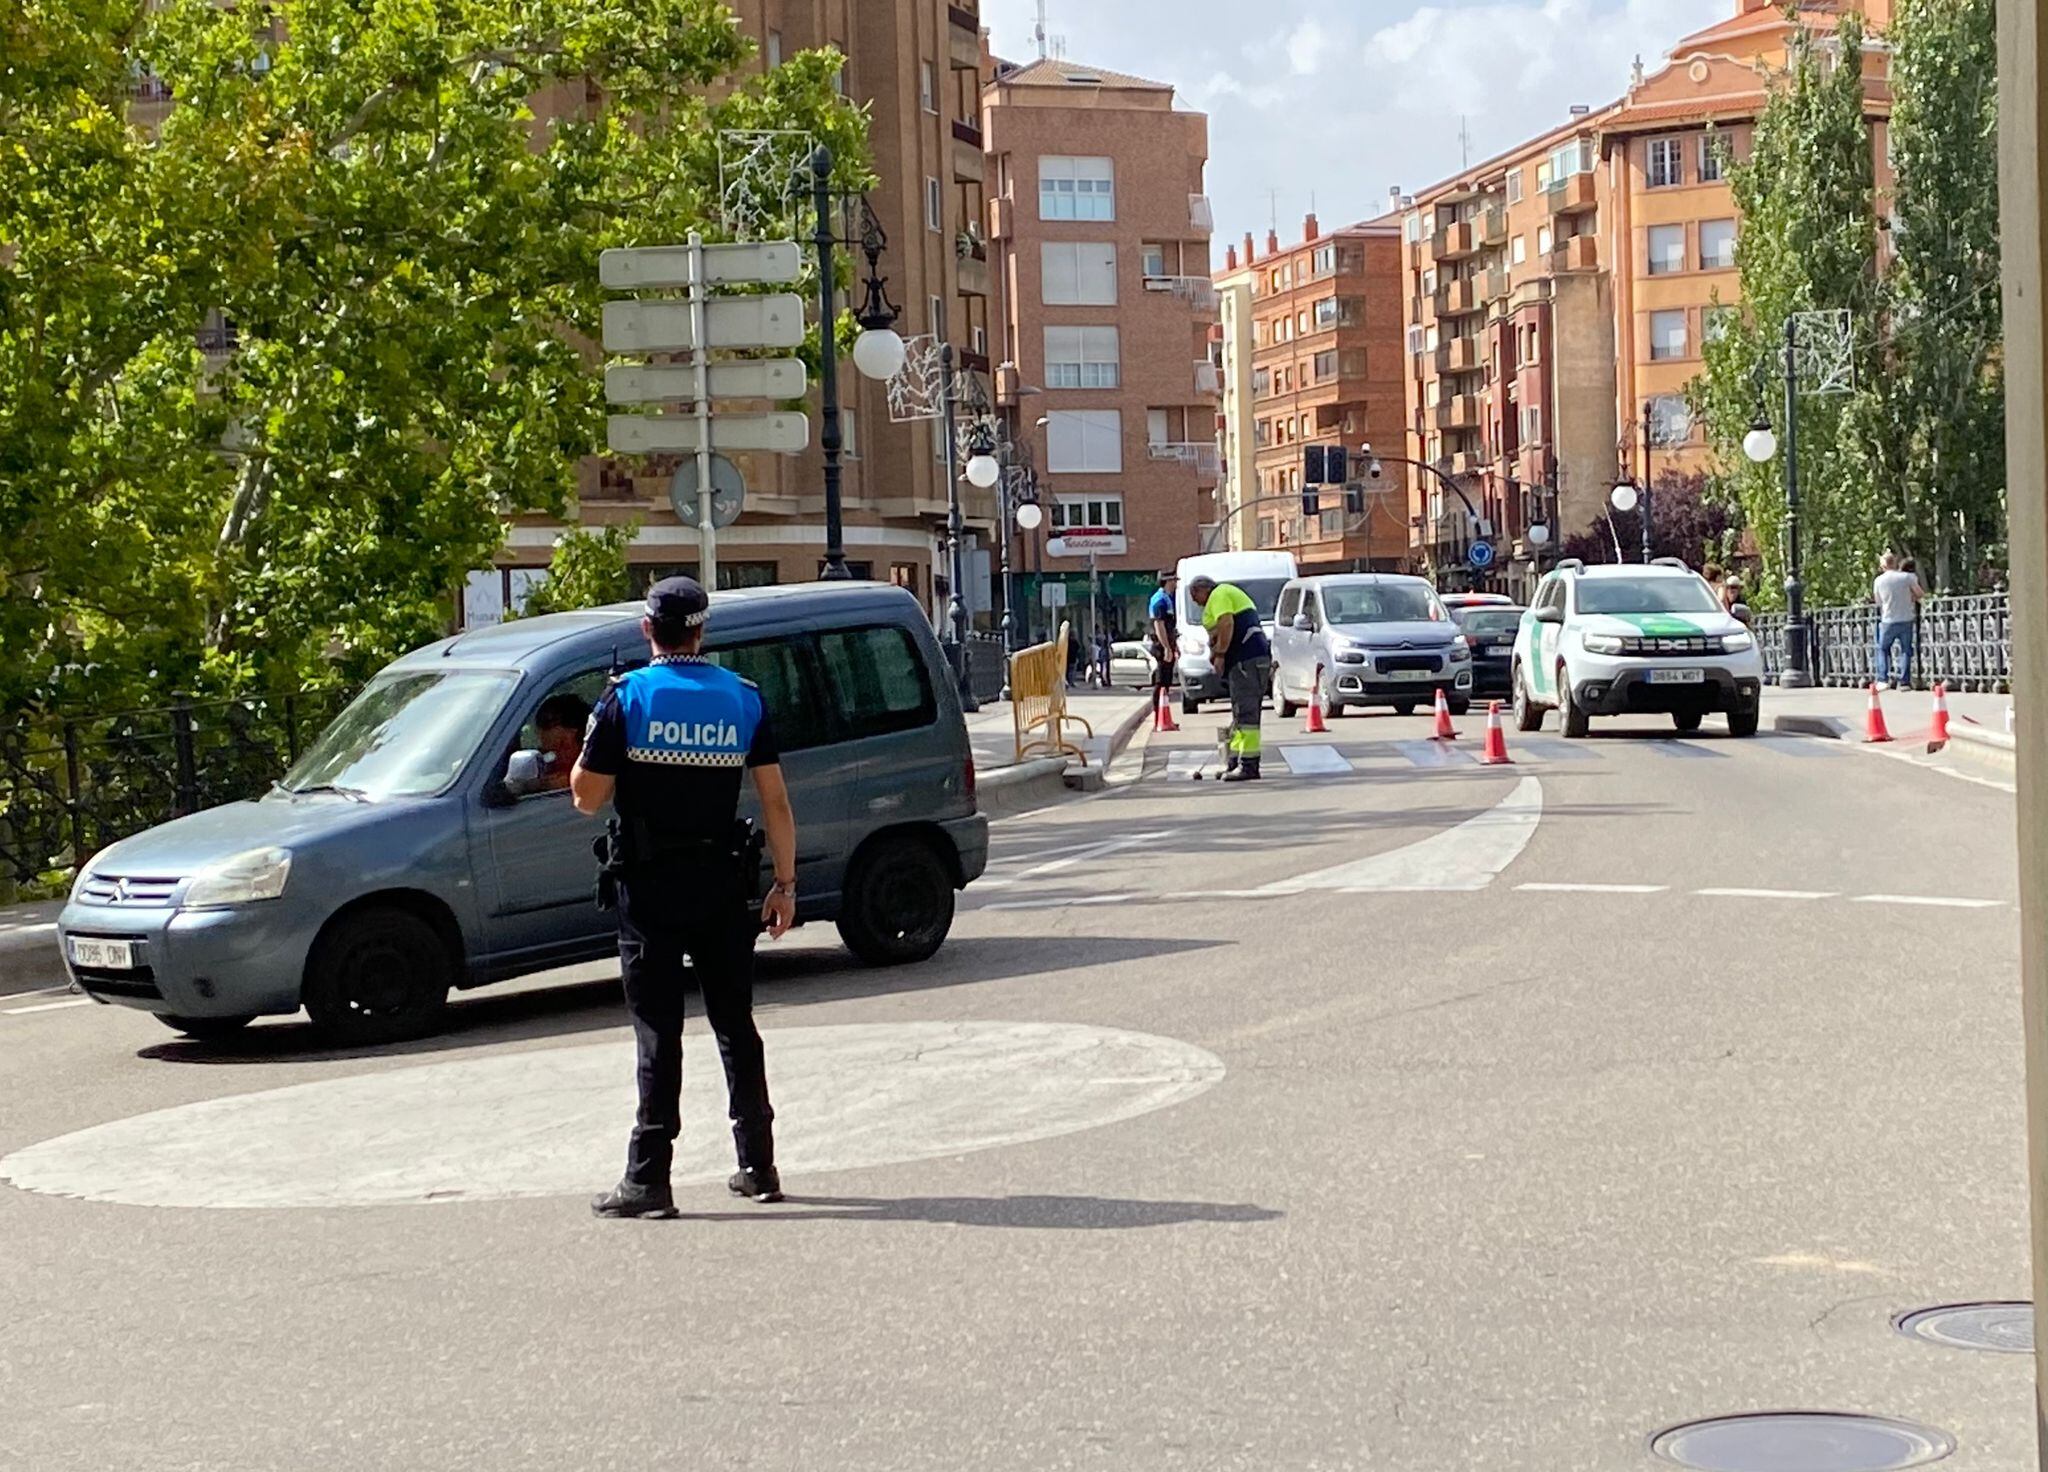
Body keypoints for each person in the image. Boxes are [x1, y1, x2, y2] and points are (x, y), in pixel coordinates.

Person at [571, 576, 799, 1220]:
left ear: (647, 629)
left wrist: (587, 748)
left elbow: (587, 798)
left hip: (649, 891)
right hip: (722, 884)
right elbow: (776, 801)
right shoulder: (743, 697)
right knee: (735, 1023)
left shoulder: (626, 698)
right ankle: (758, 1165)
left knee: (658, 1031)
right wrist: (784, 885)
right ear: (702, 631)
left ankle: (648, 1179)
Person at [1188, 573, 1271, 782]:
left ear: (1202, 589)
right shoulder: (1225, 595)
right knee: (1239, 713)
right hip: (1248, 659)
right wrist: (1215, 649)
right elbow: (1218, 632)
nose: (1194, 601)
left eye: (1194, 595)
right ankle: (1234, 761)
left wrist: (1221, 653)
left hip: (1246, 659)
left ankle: (1248, 765)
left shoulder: (1219, 594)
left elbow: (1226, 624)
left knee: (1246, 714)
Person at [1873, 551, 1923, 689]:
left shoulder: (1879, 581)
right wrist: (1910, 598)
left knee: (1883, 649)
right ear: (1895, 562)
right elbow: (1919, 593)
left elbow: (1878, 601)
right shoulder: (1907, 577)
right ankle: (1905, 682)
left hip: (1888, 619)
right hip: (1906, 618)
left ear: (1883, 565)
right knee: (1906, 650)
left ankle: (1883, 679)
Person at [534, 693, 590, 792]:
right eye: (551, 752)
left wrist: (569, 780)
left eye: (562, 745)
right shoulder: (545, 767)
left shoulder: (601, 757)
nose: (559, 756)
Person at [1148, 570, 1180, 707]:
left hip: (1168, 643)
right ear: (1167, 582)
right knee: (1161, 680)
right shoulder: (1159, 599)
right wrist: (1166, 647)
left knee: (1167, 680)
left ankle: (1163, 710)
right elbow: (1159, 625)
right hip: (1161, 645)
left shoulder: (1167, 598)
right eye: (1174, 581)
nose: (1176, 584)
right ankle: (1158, 711)